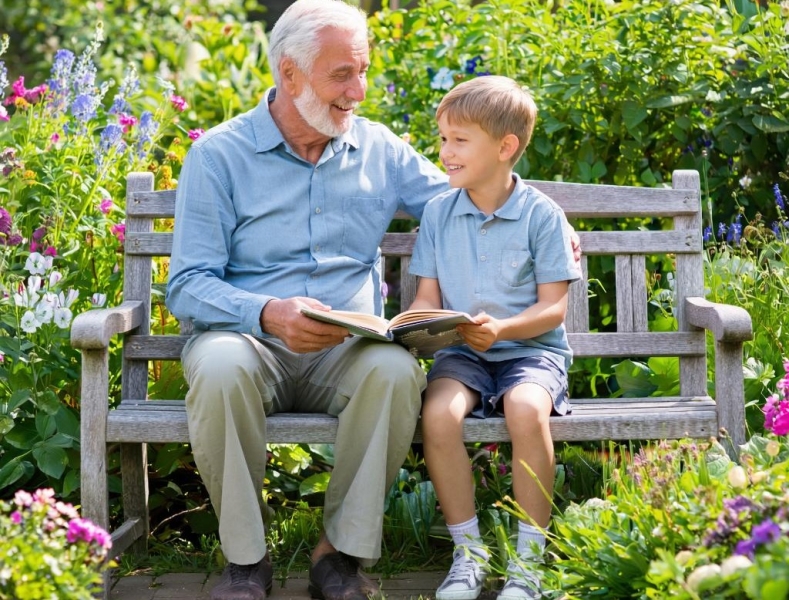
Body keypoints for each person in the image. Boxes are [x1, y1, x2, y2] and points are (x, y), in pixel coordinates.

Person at [167, 1, 580, 598]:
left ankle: (339, 557)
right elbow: (187, 284)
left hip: (347, 349)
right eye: (343, 75)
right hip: (250, 343)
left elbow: (473, 188)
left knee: (395, 371)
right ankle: (246, 561)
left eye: (362, 71)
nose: (358, 91)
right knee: (219, 367)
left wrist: (546, 220)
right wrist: (267, 314)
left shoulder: (380, 150)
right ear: (289, 73)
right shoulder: (218, 157)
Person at [407, 76, 581, 600]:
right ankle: (470, 555)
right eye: (443, 138)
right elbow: (426, 298)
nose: (446, 151)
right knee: (439, 414)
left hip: (531, 354)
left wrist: (503, 329)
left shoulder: (541, 216)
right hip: (463, 355)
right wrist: (409, 326)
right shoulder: (438, 213)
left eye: (460, 140)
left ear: (505, 147)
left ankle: (528, 563)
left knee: (525, 410)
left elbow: (553, 309)